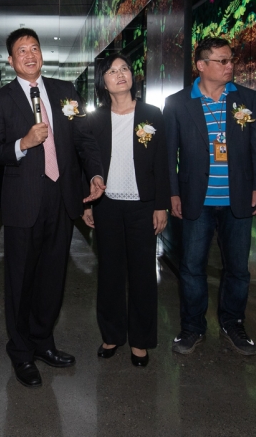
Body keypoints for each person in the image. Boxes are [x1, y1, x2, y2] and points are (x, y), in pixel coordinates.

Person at [0, 28, 104, 388]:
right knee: (21, 279)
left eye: (34, 48)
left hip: (62, 197)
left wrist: (95, 174)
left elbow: (83, 137)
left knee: (53, 276)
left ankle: (43, 341)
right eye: (21, 50)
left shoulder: (65, 91)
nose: (30, 55)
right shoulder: (1, 99)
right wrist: (23, 143)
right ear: (11, 60)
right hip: (24, 201)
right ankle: (21, 350)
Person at [164, 36, 256, 356]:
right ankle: (192, 327)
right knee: (192, 267)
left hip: (238, 199)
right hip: (197, 200)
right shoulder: (178, 102)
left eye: (231, 59)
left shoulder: (246, 98)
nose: (230, 65)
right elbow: (169, 154)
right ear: (201, 65)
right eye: (222, 61)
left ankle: (233, 323)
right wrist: (172, 193)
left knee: (238, 268)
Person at [81, 54, 170, 368]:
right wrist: (87, 203)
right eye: (111, 71)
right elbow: (86, 163)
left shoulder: (151, 114)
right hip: (106, 204)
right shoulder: (95, 119)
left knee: (143, 273)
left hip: (142, 205)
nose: (120, 74)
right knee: (110, 272)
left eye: (124, 69)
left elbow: (162, 162)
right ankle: (112, 334)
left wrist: (161, 204)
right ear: (102, 82)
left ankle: (141, 340)